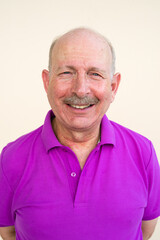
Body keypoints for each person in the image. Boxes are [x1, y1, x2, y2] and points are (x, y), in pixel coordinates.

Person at [0, 28, 160, 240]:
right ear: (47, 82)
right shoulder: (12, 158)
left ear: (113, 86)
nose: (81, 90)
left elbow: (144, 229)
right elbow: (8, 232)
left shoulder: (143, 152)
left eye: (95, 74)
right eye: (66, 73)